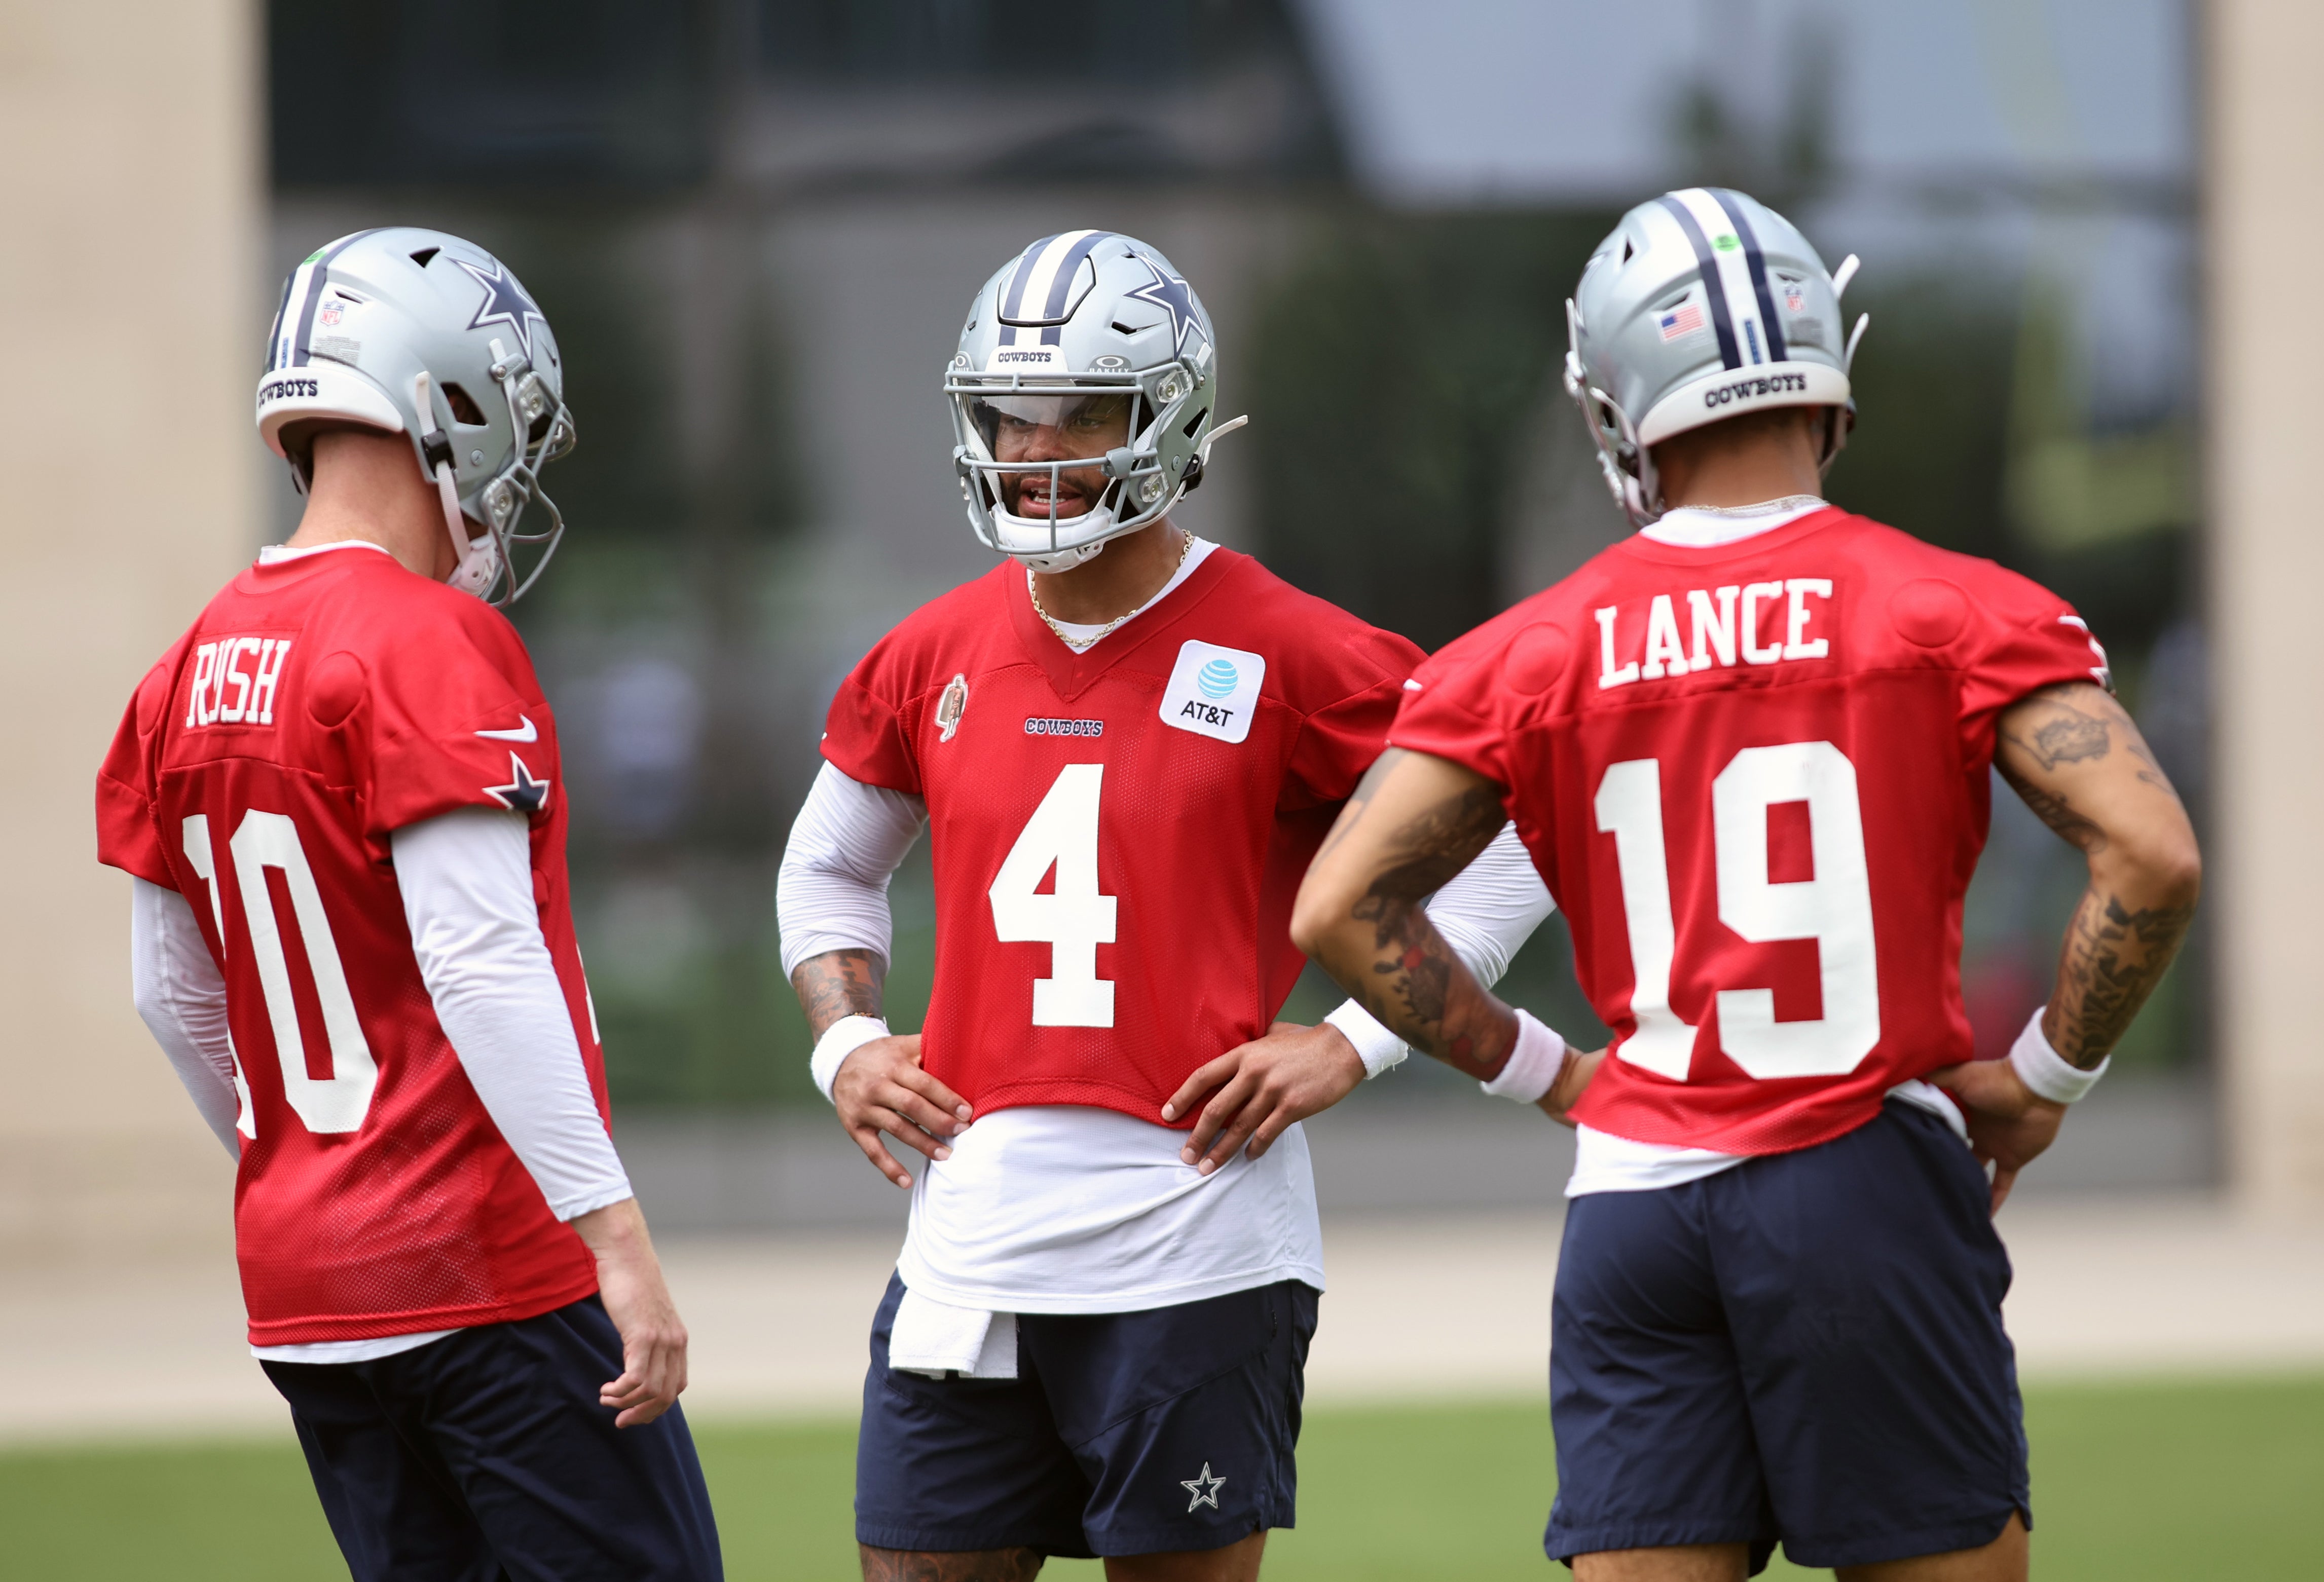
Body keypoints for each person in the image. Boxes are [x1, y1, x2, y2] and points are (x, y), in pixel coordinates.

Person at [1287, 189, 2201, 1580]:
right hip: (1860, 1180)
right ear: (1825, 368)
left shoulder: (1531, 647)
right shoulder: (1949, 608)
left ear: (1619, 401)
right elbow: (2151, 851)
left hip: (1634, 1206)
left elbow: (1335, 907)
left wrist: (1543, 1069)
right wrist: (2045, 1077)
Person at [776, 229, 1551, 1581]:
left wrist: (1352, 1040)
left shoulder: (1294, 646)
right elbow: (826, 866)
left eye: (1083, 414)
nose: (1038, 450)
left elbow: (1518, 828)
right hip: (968, 1247)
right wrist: (845, 1044)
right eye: (1010, 418)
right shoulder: (928, 651)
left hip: (1191, 1237)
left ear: (1172, 419)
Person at [95, 228, 723, 1582]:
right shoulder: (425, 637)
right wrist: (615, 1236)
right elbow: (479, 957)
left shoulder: (181, 668)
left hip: (308, 1289)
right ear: (444, 399)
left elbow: (172, 993)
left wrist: (320, 1175)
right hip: (484, 1267)